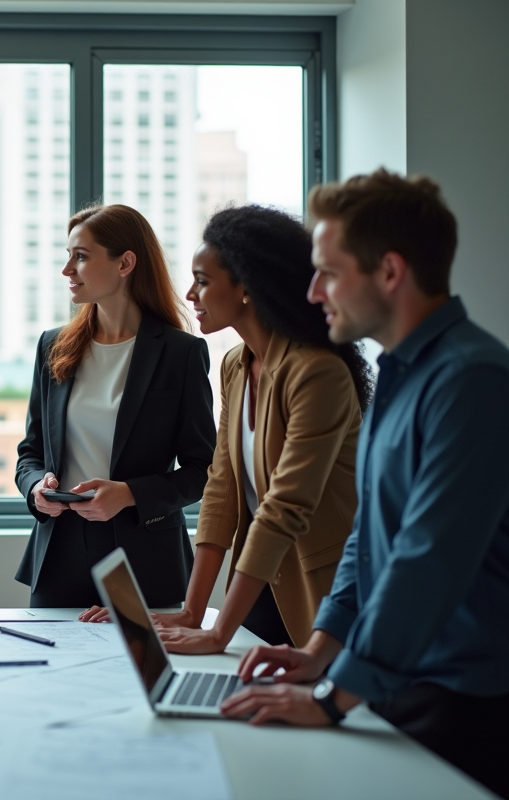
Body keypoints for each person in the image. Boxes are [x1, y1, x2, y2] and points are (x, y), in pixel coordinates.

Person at [220, 171, 509, 800]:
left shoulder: (472, 379)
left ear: (390, 272)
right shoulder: (399, 375)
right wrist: (321, 651)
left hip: (461, 700)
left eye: (328, 271)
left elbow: (427, 558)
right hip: (393, 679)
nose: (314, 291)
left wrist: (332, 696)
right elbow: (368, 541)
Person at [84, 205, 374, 652]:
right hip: (259, 587)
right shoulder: (236, 366)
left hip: (324, 590)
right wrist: (192, 612)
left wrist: (219, 632)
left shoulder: (318, 373)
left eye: (202, 281)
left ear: (246, 288)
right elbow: (221, 492)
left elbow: (283, 507)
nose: (190, 294)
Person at [16, 204, 216, 608]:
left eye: (81, 257)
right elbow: (30, 452)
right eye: (67, 256)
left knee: (140, 672)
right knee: (50, 670)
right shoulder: (52, 346)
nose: (67, 270)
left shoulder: (181, 353)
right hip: (59, 553)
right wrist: (35, 487)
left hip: (144, 558)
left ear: (125, 262)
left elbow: (202, 471)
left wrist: (128, 494)